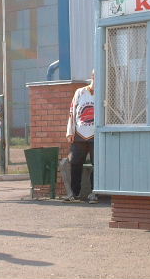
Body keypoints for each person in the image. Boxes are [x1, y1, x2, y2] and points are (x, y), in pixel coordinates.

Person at [65, 70, 98, 204]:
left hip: (96, 136)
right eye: (96, 75)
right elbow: (72, 112)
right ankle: (75, 193)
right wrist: (70, 131)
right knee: (75, 163)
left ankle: (94, 193)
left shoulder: (105, 93)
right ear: (92, 76)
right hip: (79, 134)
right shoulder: (80, 92)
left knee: (97, 165)